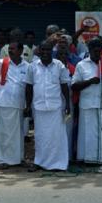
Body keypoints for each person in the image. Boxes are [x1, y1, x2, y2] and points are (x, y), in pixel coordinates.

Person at [26, 41, 71, 171]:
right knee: (40, 137)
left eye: (48, 50)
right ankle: (39, 162)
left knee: (57, 137)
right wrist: (28, 106)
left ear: (52, 51)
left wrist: (67, 104)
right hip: (39, 107)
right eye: (43, 50)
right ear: (39, 51)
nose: (45, 53)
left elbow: (64, 86)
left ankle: (58, 164)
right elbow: (28, 87)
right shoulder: (32, 67)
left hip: (56, 107)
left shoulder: (59, 66)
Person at [72, 39, 102, 169]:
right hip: (88, 104)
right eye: (95, 51)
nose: (98, 53)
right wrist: (90, 81)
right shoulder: (81, 65)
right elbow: (74, 86)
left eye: (100, 50)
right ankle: (87, 159)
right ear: (89, 50)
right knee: (88, 134)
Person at [0, 41, 29, 170]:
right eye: (9, 49)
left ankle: (18, 158)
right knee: (2, 133)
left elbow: (29, 86)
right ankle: (1, 160)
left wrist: (28, 105)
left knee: (18, 133)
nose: (10, 51)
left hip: (19, 103)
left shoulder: (27, 66)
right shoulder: (3, 63)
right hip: (3, 102)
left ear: (20, 50)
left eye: (13, 49)